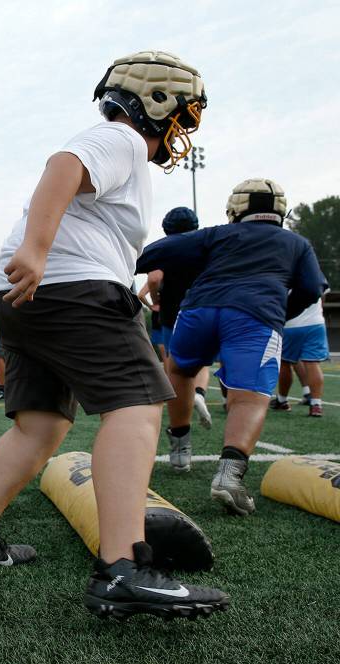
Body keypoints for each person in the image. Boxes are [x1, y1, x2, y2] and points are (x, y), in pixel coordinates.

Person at [0, 51, 228, 620]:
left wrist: (38, 254)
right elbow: (64, 165)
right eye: (185, 115)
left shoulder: (121, 153)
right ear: (158, 102)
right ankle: (124, 567)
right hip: (74, 289)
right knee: (140, 406)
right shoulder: (119, 139)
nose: (185, 129)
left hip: (25, 299)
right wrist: (39, 250)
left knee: (40, 425)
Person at [137, 178, 326, 515]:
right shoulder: (296, 243)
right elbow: (311, 288)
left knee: (179, 370)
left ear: (236, 209)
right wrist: (279, 314)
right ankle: (229, 475)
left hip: (197, 310)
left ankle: (180, 449)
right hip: (254, 315)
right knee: (249, 395)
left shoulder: (217, 234)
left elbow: (155, 253)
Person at [139, 207, 214, 469]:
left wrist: (156, 300)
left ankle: (180, 448)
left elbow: (155, 277)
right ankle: (200, 392)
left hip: (174, 313)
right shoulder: (207, 245)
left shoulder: (167, 248)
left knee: (176, 370)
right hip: (204, 309)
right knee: (202, 363)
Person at [272, 297, 329, 417]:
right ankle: (316, 404)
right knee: (313, 363)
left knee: (284, 362)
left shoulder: (284, 277)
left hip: (290, 325)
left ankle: (282, 400)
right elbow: (322, 295)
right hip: (315, 323)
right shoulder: (317, 277)